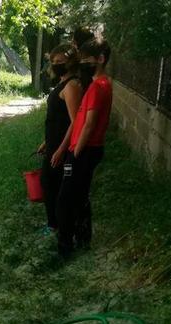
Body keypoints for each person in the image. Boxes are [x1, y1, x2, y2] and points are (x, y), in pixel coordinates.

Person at [52, 38, 112, 257]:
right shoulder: (104, 83)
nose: (83, 64)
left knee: (64, 200)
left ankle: (65, 247)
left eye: (87, 60)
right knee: (80, 196)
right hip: (89, 149)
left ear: (101, 59)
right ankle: (83, 239)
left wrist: (75, 153)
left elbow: (89, 123)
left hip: (84, 150)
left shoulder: (98, 87)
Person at [37, 44, 83, 232]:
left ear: (71, 63)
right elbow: (58, 118)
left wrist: (61, 149)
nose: (55, 65)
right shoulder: (63, 83)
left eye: (60, 62)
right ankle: (54, 225)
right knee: (48, 183)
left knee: (53, 186)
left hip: (61, 148)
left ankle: (56, 227)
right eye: (53, 61)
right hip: (53, 144)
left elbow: (75, 122)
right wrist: (47, 142)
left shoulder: (72, 86)